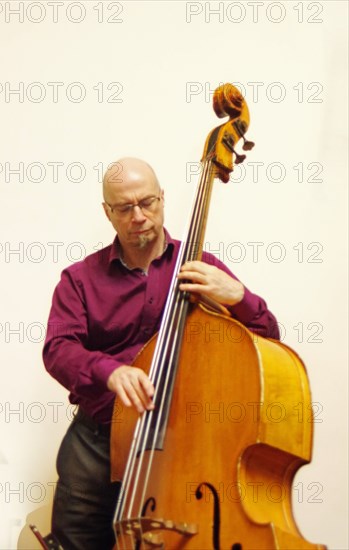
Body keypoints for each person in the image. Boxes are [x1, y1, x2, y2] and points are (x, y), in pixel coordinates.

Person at [43, 157, 280, 549]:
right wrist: (109, 372)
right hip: (96, 447)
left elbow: (266, 340)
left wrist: (238, 297)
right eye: (124, 207)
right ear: (108, 213)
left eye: (147, 202)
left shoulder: (203, 267)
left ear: (162, 199)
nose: (139, 216)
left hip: (180, 449)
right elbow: (57, 349)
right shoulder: (79, 279)